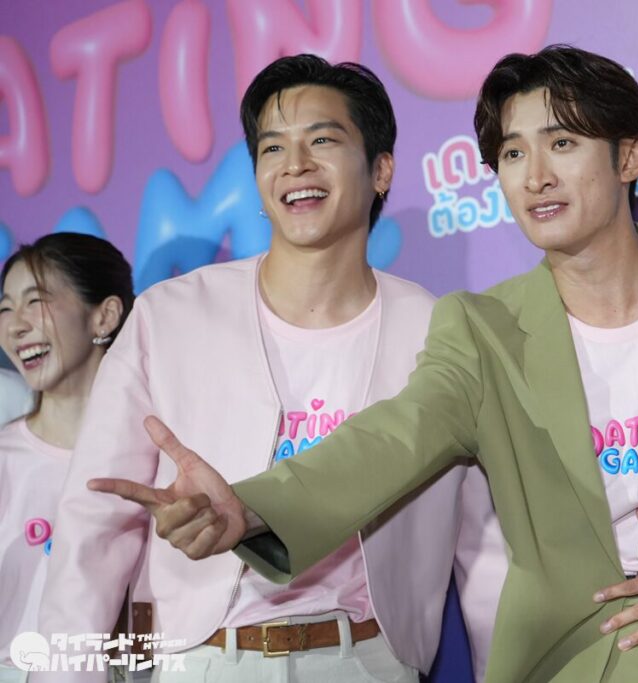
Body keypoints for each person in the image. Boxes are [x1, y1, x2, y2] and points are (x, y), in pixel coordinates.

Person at [93, 45, 638, 682]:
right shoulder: (483, 328)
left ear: (631, 156)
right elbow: (390, 438)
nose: (535, 175)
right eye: (512, 154)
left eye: (562, 143)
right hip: (565, 662)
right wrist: (253, 507)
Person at [37, 55, 496, 683]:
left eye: (323, 140)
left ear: (381, 169)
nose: (295, 164)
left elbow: (485, 546)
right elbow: (94, 524)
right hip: (202, 661)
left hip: (367, 661)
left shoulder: (437, 328)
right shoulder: (171, 315)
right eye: (273, 147)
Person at [0, 233, 134, 682]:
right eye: (4, 308)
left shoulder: (153, 459)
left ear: (104, 316)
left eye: (35, 302)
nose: (14, 326)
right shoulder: (6, 459)